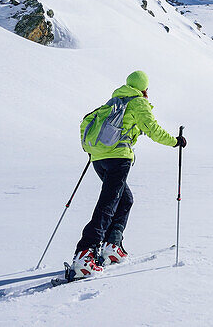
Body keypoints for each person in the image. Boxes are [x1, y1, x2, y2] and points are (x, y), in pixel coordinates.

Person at [71, 70, 186, 278]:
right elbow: (153, 130)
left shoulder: (114, 101)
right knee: (108, 204)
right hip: (119, 158)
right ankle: (85, 254)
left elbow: (86, 122)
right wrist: (176, 141)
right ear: (143, 88)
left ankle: (112, 245)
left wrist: (94, 151)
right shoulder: (137, 102)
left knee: (125, 200)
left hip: (99, 158)